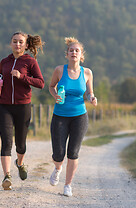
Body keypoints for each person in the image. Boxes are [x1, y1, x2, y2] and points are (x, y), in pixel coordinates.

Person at [0, 31, 44, 190]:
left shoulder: (30, 62)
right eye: (14, 41)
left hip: (23, 106)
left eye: (21, 42)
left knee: (20, 145)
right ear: (10, 43)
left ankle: (20, 163)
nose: (17, 44)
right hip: (4, 106)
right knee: (6, 142)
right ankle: (6, 176)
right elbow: (1, 79)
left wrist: (22, 77)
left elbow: (41, 83)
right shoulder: (4, 61)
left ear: (26, 45)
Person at [48, 37, 98, 197]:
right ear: (67, 54)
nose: (74, 53)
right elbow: (51, 86)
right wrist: (55, 95)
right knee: (58, 153)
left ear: (81, 54)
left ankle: (68, 185)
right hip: (60, 116)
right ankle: (57, 168)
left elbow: (90, 93)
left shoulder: (88, 72)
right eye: (71, 50)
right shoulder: (59, 70)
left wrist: (92, 98)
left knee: (73, 152)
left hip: (79, 116)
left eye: (77, 50)